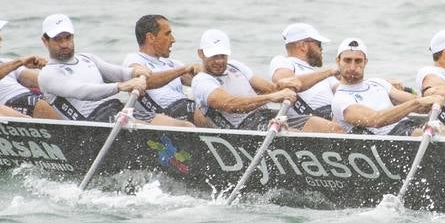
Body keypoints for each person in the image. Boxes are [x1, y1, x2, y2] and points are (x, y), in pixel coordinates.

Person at [190, 29, 342, 132]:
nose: (219, 61)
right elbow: (229, 104)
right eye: (214, 56)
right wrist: (270, 97)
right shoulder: (202, 81)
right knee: (294, 134)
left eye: (222, 55)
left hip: (266, 117)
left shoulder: (236, 67)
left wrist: (281, 87)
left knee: (328, 128)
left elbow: (271, 89)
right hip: (243, 130)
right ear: (201, 53)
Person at [330, 38, 445, 137]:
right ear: (338, 61)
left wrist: (432, 98)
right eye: (347, 60)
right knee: (441, 135)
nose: (353, 67)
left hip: (408, 128)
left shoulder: (378, 83)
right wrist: (416, 102)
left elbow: (421, 107)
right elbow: (376, 119)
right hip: (388, 140)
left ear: (365, 62)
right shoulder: (340, 99)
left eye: (358, 61)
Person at [35, 13, 152, 123]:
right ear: (45, 41)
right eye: (57, 39)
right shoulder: (47, 74)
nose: (64, 44)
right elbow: (82, 91)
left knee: (164, 120)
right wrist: (121, 86)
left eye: (67, 37)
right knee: (156, 125)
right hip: (92, 125)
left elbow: (118, 73)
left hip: (115, 111)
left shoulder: (87, 58)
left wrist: (135, 72)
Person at [121, 14, 211, 127]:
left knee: (213, 103)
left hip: (184, 108)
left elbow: (201, 82)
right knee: (198, 110)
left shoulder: (172, 64)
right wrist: (183, 69)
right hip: (160, 115)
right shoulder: (134, 59)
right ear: (151, 38)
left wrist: (207, 71)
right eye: (167, 34)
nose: (173, 39)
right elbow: (145, 82)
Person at [267, 22, 342, 129]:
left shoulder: (322, 75)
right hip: (304, 117)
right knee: (337, 129)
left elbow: (344, 91)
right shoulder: (283, 61)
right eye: (318, 44)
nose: (321, 49)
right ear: (303, 46)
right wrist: (329, 72)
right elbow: (287, 83)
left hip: (329, 116)